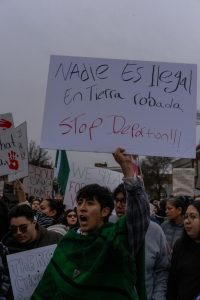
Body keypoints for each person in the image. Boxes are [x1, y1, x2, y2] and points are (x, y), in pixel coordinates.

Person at [31, 148, 150, 300]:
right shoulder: (67, 242)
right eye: (79, 202)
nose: (82, 207)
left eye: (90, 203)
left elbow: (139, 216)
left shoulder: (116, 239)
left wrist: (127, 168)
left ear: (105, 211)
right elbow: (49, 287)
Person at [111, 182, 170, 300]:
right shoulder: (108, 226)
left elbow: (162, 269)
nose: (118, 205)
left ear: (137, 204)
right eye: (116, 200)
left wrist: (157, 297)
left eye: (124, 201)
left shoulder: (155, 231)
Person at [167, 201, 200, 300]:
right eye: (186, 217)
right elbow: (172, 281)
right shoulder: (179, 245)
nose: (187, 221)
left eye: (193, 217)